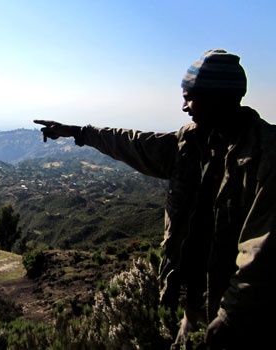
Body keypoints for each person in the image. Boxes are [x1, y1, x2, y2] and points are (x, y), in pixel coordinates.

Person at [35, 49, 276, 349]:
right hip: (198, 307)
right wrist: (78, 132)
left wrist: (230, 317)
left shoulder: (266, 157)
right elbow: (134, 144)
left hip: (242, 318)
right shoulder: (192, 143)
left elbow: (261, 251)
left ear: (218, 97)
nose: (184, 106)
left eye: (190, 97)